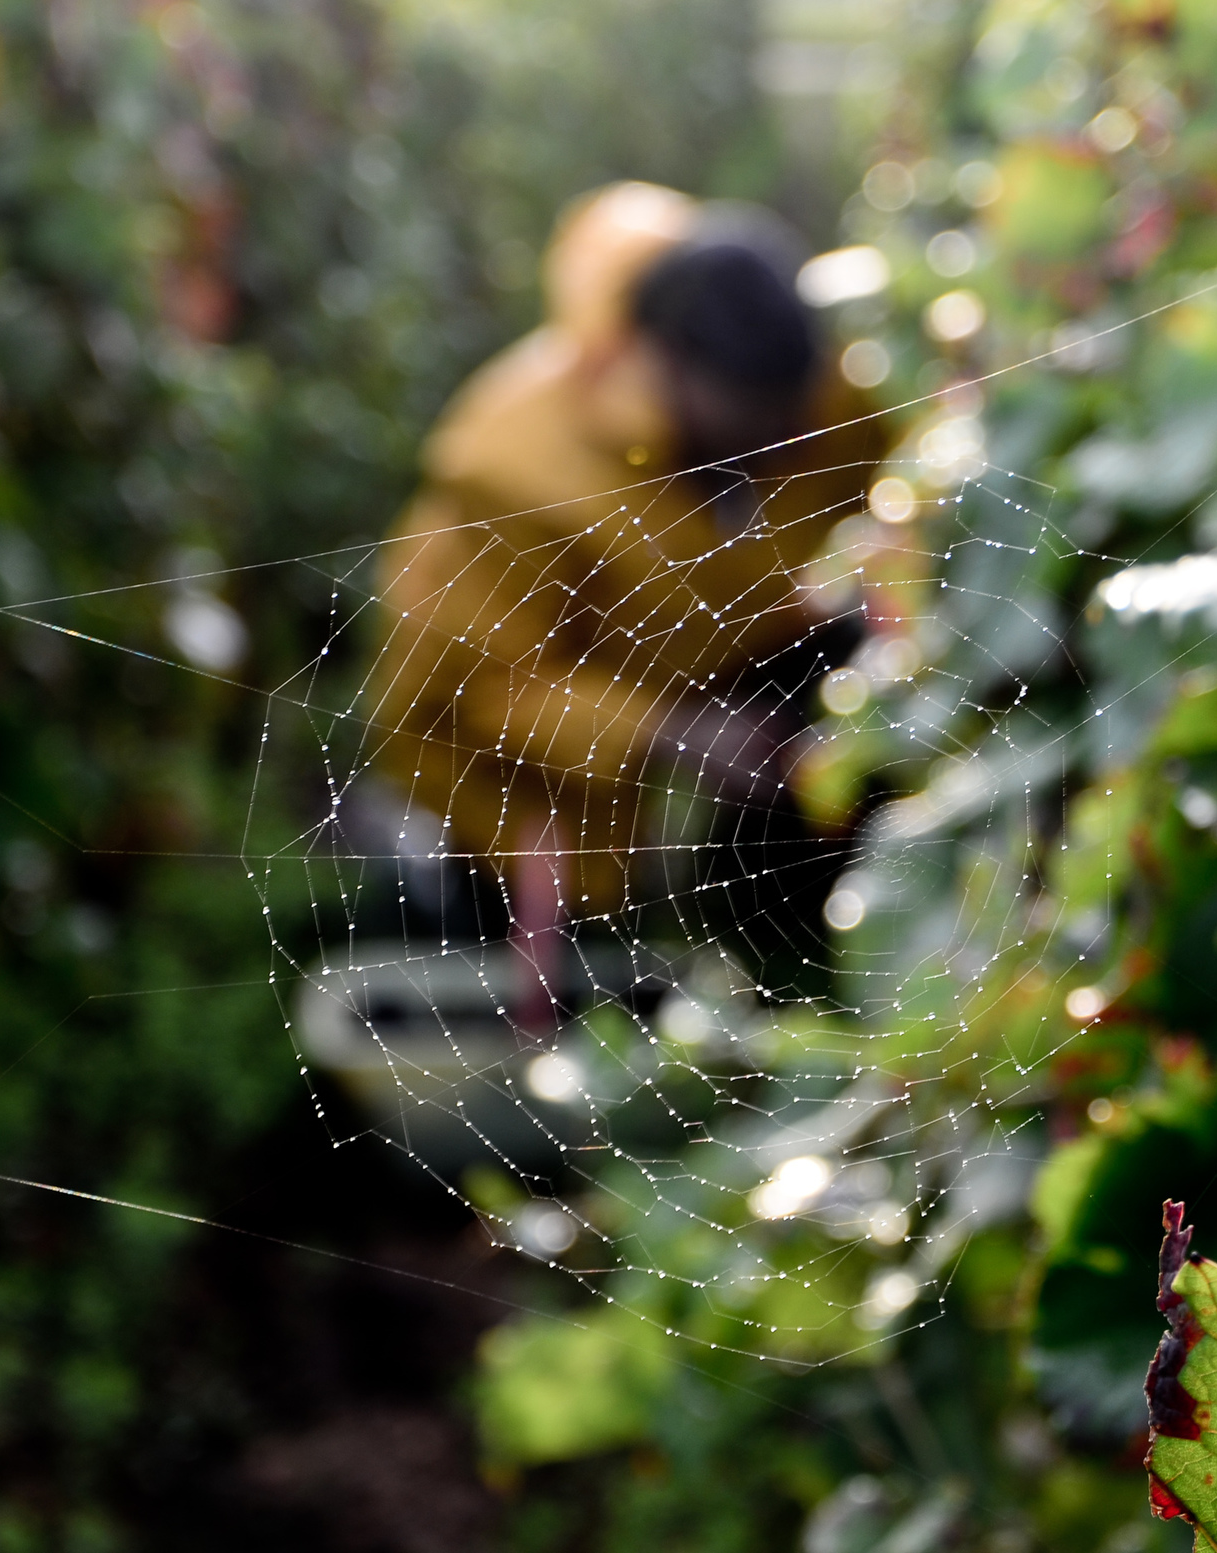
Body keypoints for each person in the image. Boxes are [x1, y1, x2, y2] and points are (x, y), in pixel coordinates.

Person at [361, 182, 883, 1024]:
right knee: (534, 1006)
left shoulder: (820, 402)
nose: (779, 448)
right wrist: (674, 734)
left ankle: (821, 972)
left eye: (790, 426)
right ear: (662, 362)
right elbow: (485, 692)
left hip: (708, 678)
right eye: (755, 427)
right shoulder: (513, 465)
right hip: (499, 779)